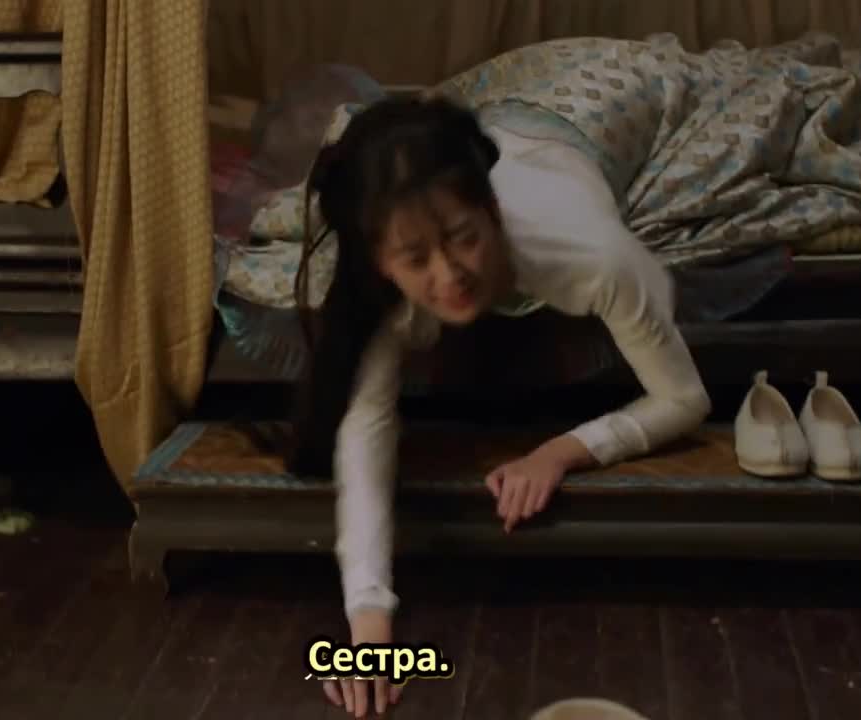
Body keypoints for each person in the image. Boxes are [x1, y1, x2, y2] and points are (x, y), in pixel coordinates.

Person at [287, 96, 711, 716]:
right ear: (381, 261)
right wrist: (368, 625)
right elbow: (365, 433)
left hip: (578, 126)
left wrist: (562, 451)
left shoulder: (592, 255)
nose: (449, 275)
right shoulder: (380, 292)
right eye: (415, 259)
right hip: (489, 113)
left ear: (492, 208)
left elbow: (685, 397)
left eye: (465, 239)